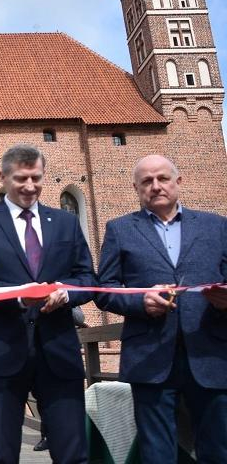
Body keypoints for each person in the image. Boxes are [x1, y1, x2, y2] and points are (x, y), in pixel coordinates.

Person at [0, 144, 95, 464]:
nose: (30, 186)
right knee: (2, 453)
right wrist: (20, 295)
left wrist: (66, 294)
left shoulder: (64, 222)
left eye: (36, 178)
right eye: (21, 178)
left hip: (58, 353)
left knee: (72, 451)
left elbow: (87, 277)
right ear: (3, 177)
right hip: (3, 354)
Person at [95, 154, 227, 463]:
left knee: (218, 448)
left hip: (210, 353)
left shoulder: (216, 226)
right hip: (150, 356)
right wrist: (139, 302)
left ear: (178, 182)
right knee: (157, 453)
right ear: (136, 188)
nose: (155, 186)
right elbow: (105, 290)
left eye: (163, 178)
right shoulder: (120, 229)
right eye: (146, 181)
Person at [32, 306, 87, 452]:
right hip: (32, 349)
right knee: (41, 399)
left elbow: (80, 317)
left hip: (61, 351)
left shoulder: (65, 290)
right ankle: (46, 436)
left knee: (64, 401)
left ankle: (59, 437)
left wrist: (64, 300)